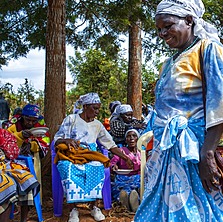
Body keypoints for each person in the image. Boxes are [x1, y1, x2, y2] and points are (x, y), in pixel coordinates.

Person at [134, 0, 223, 222]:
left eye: (168, 26)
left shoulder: (209, 50)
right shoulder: (169, 63)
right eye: (159, 29)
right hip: (168, 153)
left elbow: (222, 103)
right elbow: (163, 109)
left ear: (189, 21)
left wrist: (208, 154)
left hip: (196, 153)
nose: (162, 33)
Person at [53, 93, 134, 222]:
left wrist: (125, 158)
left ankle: (94, 207)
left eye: (98, 109)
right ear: (85, 107)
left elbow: (110, 144)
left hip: (90, 155)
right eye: (94, 108)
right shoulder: (71, 119)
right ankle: (73, 209)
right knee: (67, 167)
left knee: (98, 166)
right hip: (72, 154)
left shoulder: (97, 125)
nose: (97, 112)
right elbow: (57, 140)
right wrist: (67, 140)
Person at [0, 128, 40, 222]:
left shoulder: (3, 133)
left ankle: (24, 220)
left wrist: (4, 143)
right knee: (8, 185)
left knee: (26, 178)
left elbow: (13, 153)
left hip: (5, 166)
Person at [110, 129, 141, 212]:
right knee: (121, 189)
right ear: (126, 139)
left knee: (139, 187)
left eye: (134, 136)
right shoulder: (121, 151)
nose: (131, 138)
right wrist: (114, 166)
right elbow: (112, 163)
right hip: (122, 178)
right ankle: (125, 201)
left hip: (137, 178)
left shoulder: (141, 152)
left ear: (138, 138)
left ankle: (134, 201)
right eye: (128, 136)